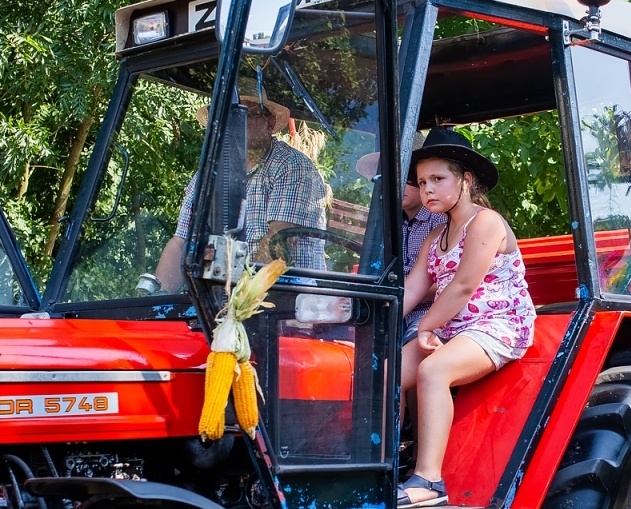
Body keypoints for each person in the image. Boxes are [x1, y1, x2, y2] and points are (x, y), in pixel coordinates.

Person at [397, 127, 535, 507]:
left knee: (432, 371)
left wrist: (425, 327)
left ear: (466, 180)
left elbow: (462, 287)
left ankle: (429, 481)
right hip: (456, 327)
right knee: (386, 370)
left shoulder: (485, 222)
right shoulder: (436, 236)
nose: (427, 190)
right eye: (423, 181)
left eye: (438, 179)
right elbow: (412, 289)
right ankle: (382, 464)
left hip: (499, 324)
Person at [150, 94, 327, 291]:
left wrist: (237, 296)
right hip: (223, 303)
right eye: (225, 119)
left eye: (242, 116)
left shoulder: (291, 166)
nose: (231, 126)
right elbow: (181, 242)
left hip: (289, 305)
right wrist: (159, 297)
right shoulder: (208, 174)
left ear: (269, 123)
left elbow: (280, 240)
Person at [357, 132, 444, 340]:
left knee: (406, 349)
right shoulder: (386, 223)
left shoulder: (441, 223)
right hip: (391, 307)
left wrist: (396, 292)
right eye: (388, 176)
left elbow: (445, 284)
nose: (396, 183)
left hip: (430, 312)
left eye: (405, 175)